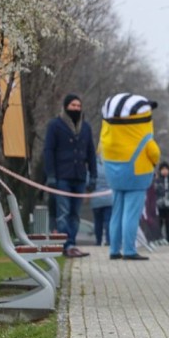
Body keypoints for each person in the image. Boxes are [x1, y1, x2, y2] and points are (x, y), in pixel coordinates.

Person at [100, 92, 161, 260]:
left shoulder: (107, 136)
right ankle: (128, 250)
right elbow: (154, 154)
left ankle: (114, 249)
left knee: (116, 213)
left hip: (114, 177)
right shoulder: (143, 135)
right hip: (136, 175)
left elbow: (100, 152)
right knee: (131, 214)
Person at [43, 93, 97, 258]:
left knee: (75, 213)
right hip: (62, 177)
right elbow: (48, 151)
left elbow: (91, 153)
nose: (76, 109)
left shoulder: (86, 127)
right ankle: (65, 245)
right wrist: (50, 175)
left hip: (79, 176)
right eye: (73, 106)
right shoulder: (55, 125)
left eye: (78, 106)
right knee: (63, 212)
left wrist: (93, 175)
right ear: (66, 106)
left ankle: (72, 243)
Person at [90, 152, 112, 246]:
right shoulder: (110, 165)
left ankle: (98, 241)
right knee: (108, 221)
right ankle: (108, 240)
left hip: (96, 199)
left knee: (97, 222)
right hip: (109, 198)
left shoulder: (92, 167)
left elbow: (89, 182)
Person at [154, 162, 169, 244]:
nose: (164, 171)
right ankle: (159, 238)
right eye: (162, 169)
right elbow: (155, 192)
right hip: (159, 204)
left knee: (168, 222)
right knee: (159, 222)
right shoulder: (157, 180)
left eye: (166, 169)